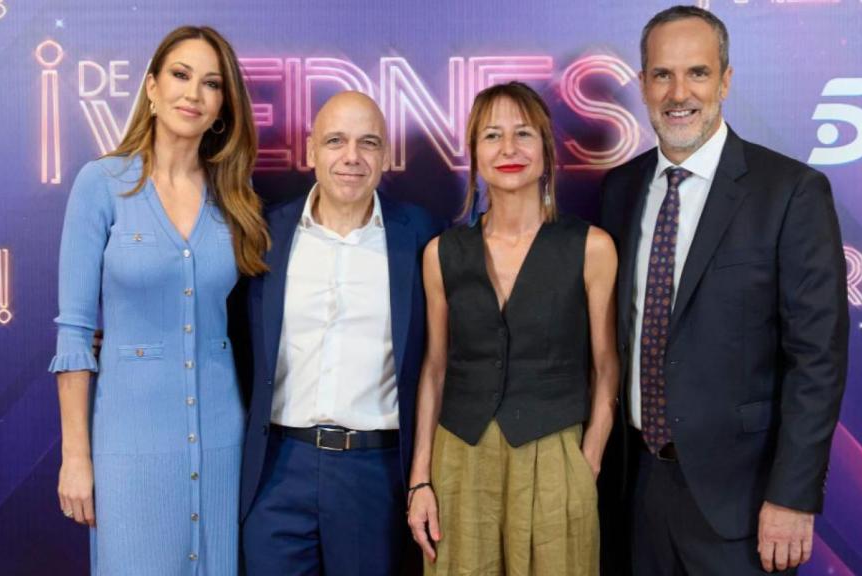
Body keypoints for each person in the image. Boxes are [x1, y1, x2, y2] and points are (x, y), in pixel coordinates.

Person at [598, 6, 849, 574]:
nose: (678, 92)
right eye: (662, 74)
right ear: (642, 84)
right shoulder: (619, 190)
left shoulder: (790, 193)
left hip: (745, 503)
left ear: (726, 80)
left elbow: (817, 360)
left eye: (698, 73)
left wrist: (792, 496)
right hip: (636, 493)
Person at [49, 26, 267, 575]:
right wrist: (76, 456)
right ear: (151, 86)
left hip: (222, 440)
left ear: (223, 107)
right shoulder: (101, 184)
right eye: (180, 75)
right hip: (129, 442)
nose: (193, 93)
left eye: (211, 83)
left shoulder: (235, 200)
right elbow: (74, 332)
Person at [406, 81, 620, 576]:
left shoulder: (591, 248)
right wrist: (421, 478)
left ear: (546, 151)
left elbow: (607, 366)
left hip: (554, 455)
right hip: (459, 457)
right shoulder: (442, 254)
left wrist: (586, 463)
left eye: (523, 134)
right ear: (474, 154)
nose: (508, 149)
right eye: (491, 136)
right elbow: (435, 369)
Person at [239, 91, 443, 575]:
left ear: (386, 155)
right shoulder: (264, 234)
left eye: (368, 143)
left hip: (374, 474)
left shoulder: (422, 235)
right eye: (336, 141)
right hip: (277, 470)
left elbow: (445, 359)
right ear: (310, 150)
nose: (351, 157)